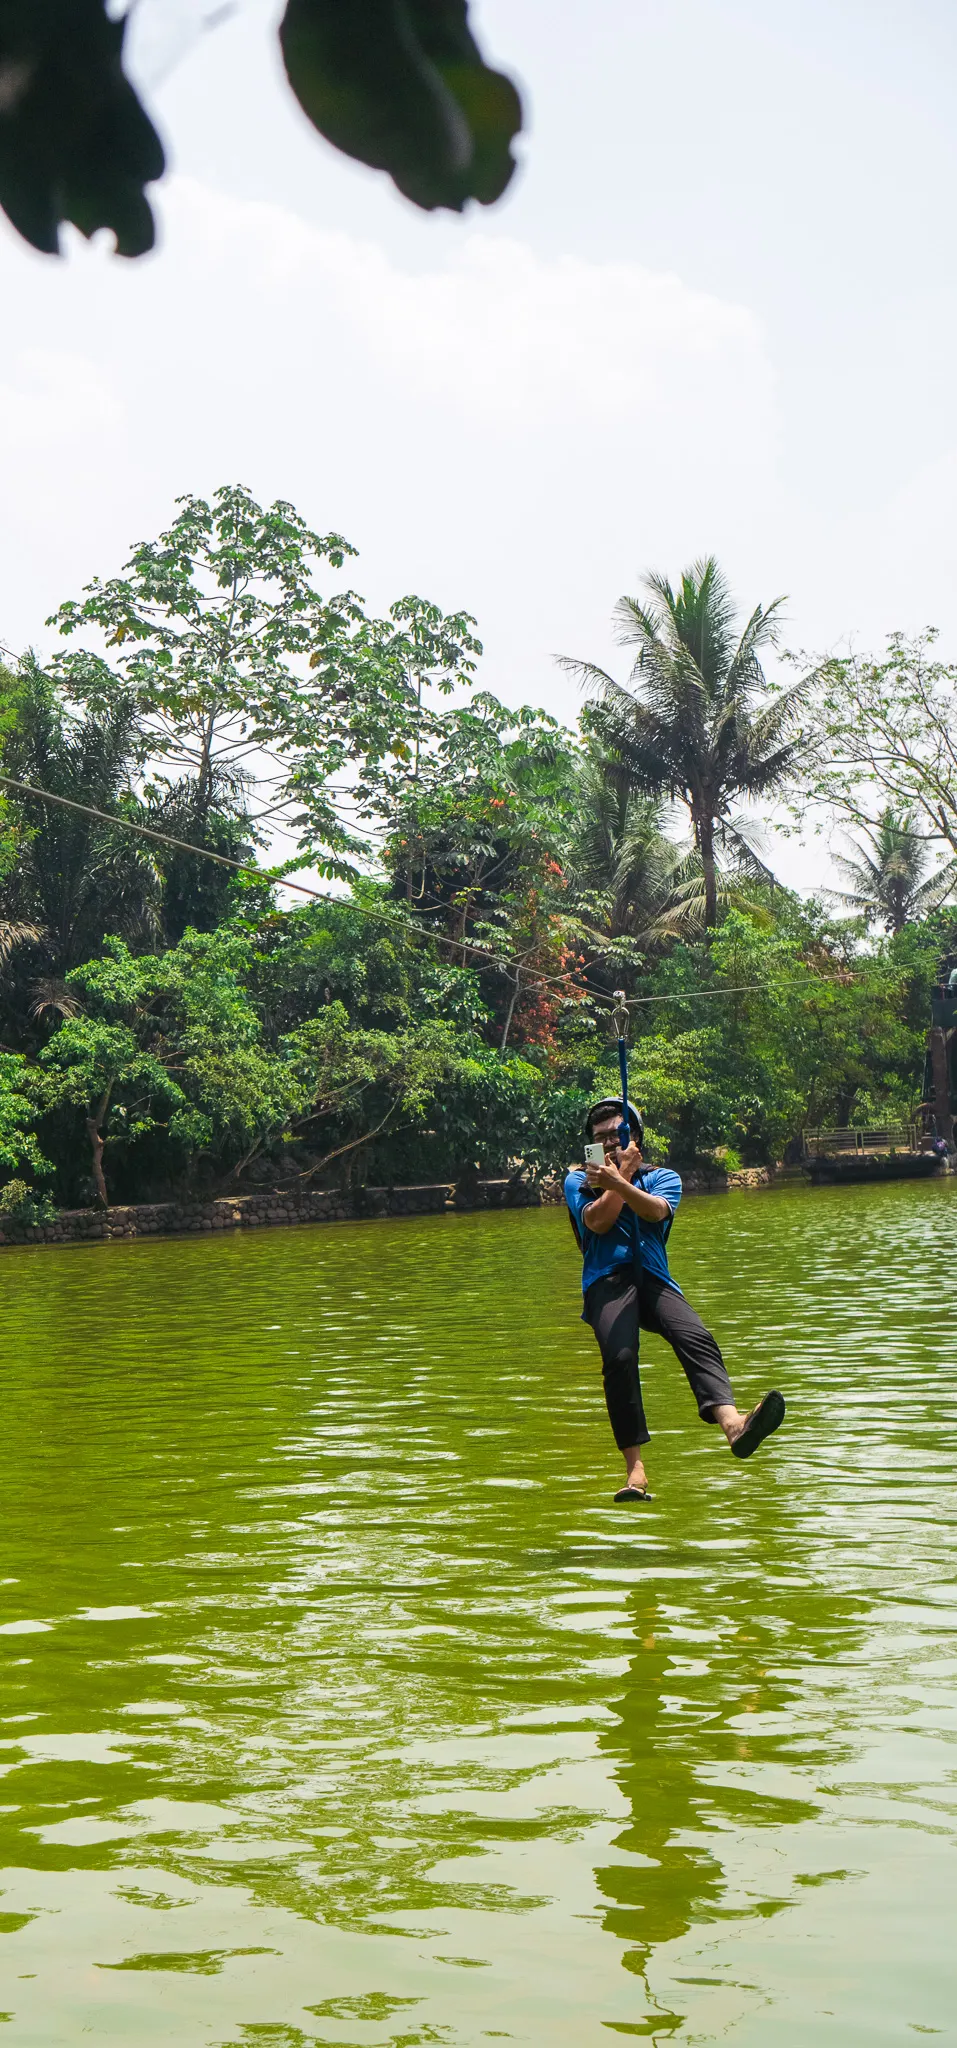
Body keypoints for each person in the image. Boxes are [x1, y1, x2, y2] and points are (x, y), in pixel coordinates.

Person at [564, 1098, 785, 1502]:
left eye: (617, 1133)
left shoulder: (663, 1177)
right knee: (620, 1357)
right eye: (600, 1137)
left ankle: (733, 1425)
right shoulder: (578, 1181)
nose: (610, 1142)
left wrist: (623, 1181)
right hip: (606, 1281)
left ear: (635, 1138)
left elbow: (653, 1213)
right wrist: (618, 1177)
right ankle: (635, 1469)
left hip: (653, 1277)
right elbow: (597, 1221)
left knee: (695, 1336)